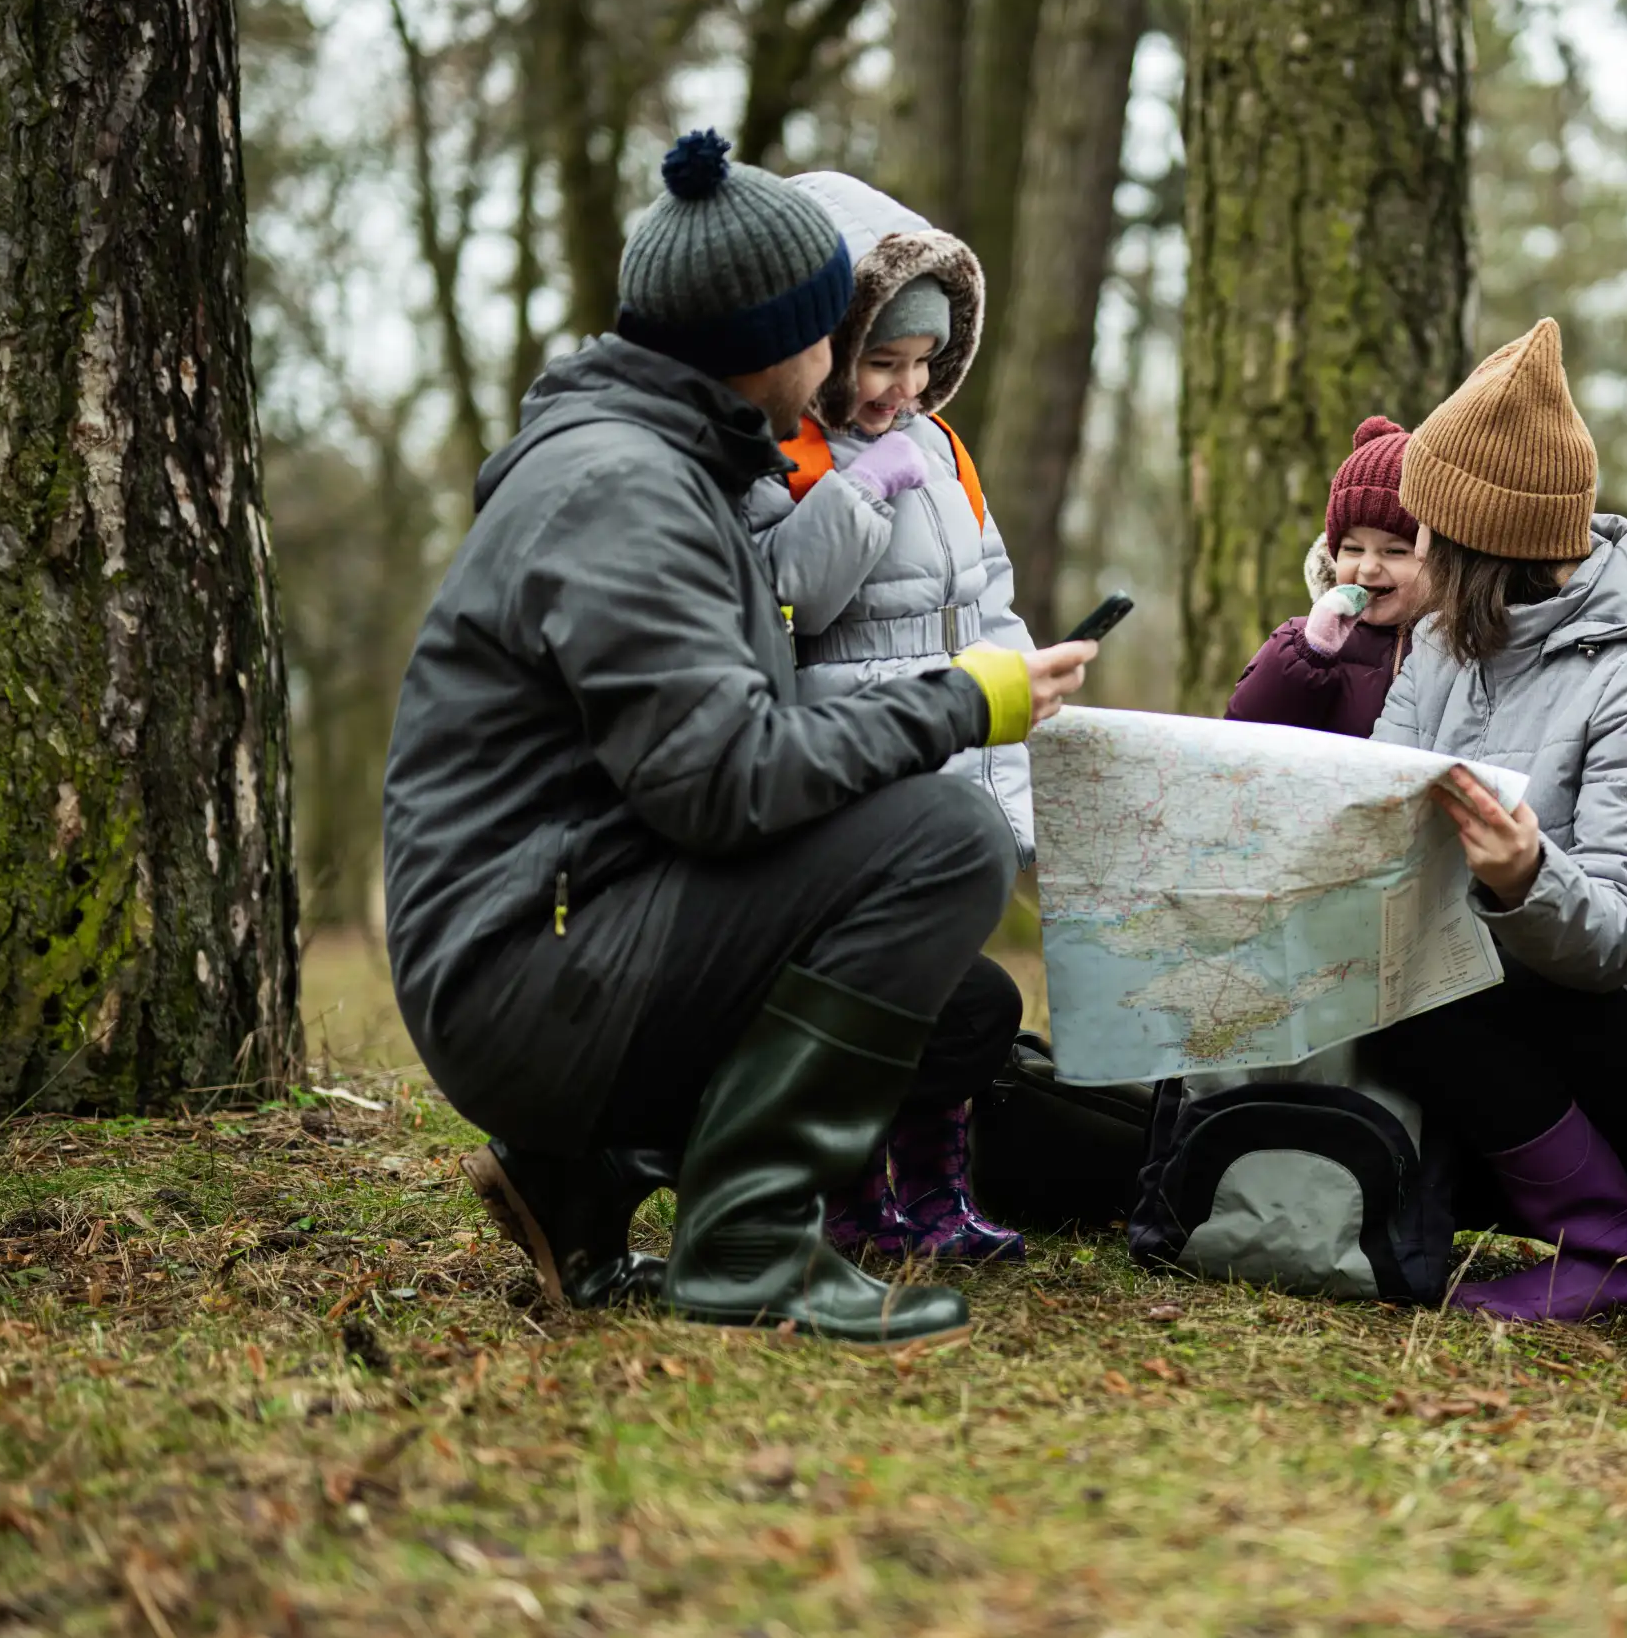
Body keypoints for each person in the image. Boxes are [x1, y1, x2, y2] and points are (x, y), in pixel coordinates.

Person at [381, 131, 1093, 1348]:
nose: (837, 369)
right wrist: (960, 706)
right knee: (945, 837)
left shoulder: (659, 464)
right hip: (523, 974)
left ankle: (584, 1176)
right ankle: (750, 1242)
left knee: (958, 999)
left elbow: (709, 749)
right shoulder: (626, 494)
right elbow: (725, 782)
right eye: (829, 336)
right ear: (772, 344)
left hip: (567, 929)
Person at [1366, 318, 1627, 1322]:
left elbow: (1619, 939)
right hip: (1522, 985)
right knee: (1371, 985)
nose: (1409, 550)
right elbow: (1379, 782)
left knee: (1432, 1001)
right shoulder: (1444, 643)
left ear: (1477, 544)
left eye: (1426, 530)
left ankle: (1609, 1250)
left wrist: (1522, 875)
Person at [740, 171, 1037, 1264]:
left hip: (957, 742)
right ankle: (847, 1191)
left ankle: (937, 1191)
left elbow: (987, 603)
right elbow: (792, 599)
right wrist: (864, 492)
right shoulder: (790, 453)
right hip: (853, 757)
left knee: (950, 986)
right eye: (880, 360)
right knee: (879, 988)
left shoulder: (947, 449)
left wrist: (1015, 765)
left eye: (922, 365)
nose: (901, 391)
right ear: (831, 338)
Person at [1225, 416, 1428, 737]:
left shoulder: (1459, 646)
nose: (1368, 567)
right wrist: (1308, 653)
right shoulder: (1305, 641)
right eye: (1353, 549)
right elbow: (1245, 730)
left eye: (1394, 551)